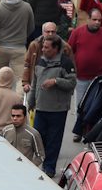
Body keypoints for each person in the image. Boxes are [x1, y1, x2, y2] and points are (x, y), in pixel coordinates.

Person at [28, 34, 77, 176]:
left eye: (46, 47)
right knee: (38, 139)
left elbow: (72, 83)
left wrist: (56, 81)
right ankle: (37, 164)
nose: (43, 50)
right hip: (40, 108)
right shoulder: (40, 61)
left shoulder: (65, 63)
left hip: (57, 110)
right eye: (43, 47)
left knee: (53, 141)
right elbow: (35, 84)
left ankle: (49, 168)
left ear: (55, 49)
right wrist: (31, 102)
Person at [0, 0, 36, 90]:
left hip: (1, 47)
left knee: (1, 76)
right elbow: (31, 27)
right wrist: (23, 35)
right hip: (19, 47)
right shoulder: (26, 7)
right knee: (20, 78)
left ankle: (0, 97)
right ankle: (18, 98)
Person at [68, 9, 102, 106]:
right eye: (94, 19)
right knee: (80, 105)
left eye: (99, 20)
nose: (97, 22)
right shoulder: (77, 33)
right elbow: (69, 52)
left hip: (99, 78)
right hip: (81, 78)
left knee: (95, 107)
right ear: (88, 19)